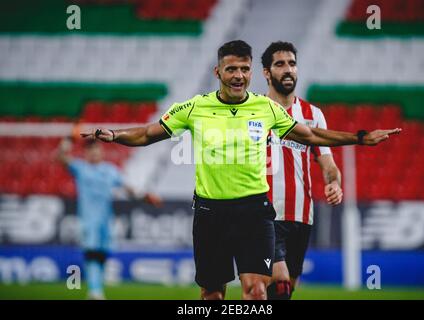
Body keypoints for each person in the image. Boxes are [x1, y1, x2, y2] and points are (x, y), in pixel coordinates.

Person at [81, 40, 401, 300]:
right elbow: (149, 133)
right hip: (210, 212)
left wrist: (360, 138)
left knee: (258, 290)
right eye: (231, 68)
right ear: (217, 71)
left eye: (244, 69)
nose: (238, 75)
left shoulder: (266, 108)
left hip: (254, 211)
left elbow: (311, 135)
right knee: (211, 294)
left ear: (252, 73)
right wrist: (115, 135)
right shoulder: (195, 107)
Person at [261, 41, 342, 300]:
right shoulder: (251, 111)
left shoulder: (313, 114)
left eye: (292, 63)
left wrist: (334, 183)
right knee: (280, 281)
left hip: (301, 216)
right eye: (280, 64)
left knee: (284, 289)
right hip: (263, 213)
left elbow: (328, 164)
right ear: (266, 72)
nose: (288, 70)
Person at [57, 137, 162, 299]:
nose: (94, 153)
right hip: (87, 220)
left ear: (101, 151)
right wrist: (67, 141)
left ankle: (96, 288)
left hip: (105, 220)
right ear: (86, 153)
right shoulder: (80, 168)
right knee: (91, 253)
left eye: (96, 149)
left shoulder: (109, 170)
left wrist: (144, 197)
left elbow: (128, 188)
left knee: (102, 254)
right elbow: (61, 159)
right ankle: (95, 291)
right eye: (90, 150)